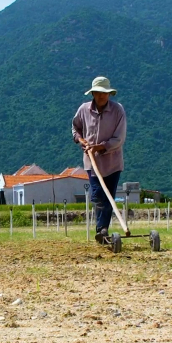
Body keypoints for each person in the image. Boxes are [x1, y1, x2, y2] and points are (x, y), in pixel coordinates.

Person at [71, 76, 127, 244]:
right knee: (98, 196)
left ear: (109, 94)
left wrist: (100, 147)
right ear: (93, 93)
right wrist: (80, 140)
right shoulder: (83, 109)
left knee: (109, 196)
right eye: (98, 93)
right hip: (92, 163)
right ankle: (101, 230)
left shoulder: (118, 111)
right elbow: (75, 128)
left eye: (105, 93)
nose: (101, 96)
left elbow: (119, 139)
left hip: (112, 163)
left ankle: (102, 230)